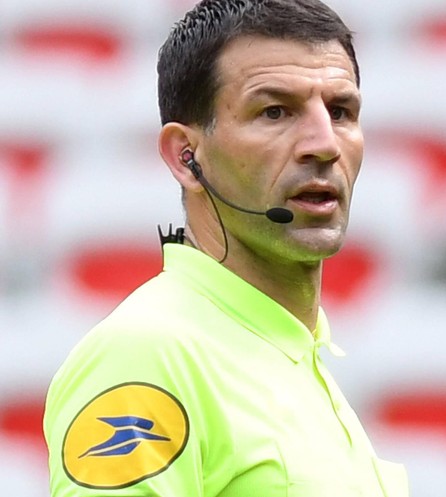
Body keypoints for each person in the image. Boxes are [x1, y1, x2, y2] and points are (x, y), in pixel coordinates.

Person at [43, 0, 409, 495]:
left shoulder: (296, 354)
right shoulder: (149, 353)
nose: (324, 144)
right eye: (275, 111)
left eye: (340, 111)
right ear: (185, 157)